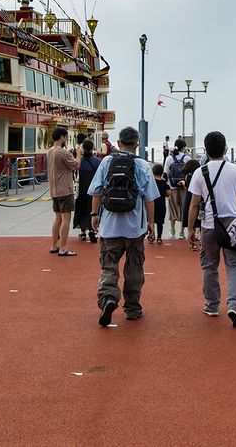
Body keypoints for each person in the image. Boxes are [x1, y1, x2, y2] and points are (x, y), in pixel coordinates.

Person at [89, 126, 159, 326]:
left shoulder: (107, 162)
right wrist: (151, 223)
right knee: (134, 268)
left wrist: (94, 215)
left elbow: (97, 191)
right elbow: (150, 198)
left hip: (110, 226)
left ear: (118, 143)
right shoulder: (143, 166)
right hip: (134, 227)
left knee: (109, 266)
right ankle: (132, 308)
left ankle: (108, 298)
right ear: (137, 145)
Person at [187, 130, 236, 327]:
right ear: (225, 148)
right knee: (235, 265)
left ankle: (211, 306)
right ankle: (234, 306)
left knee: (209, 265)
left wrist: (190, 229)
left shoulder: (199, 172)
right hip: (233, 225)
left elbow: (194, 204)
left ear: (205, 150)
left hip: (210, 226)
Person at [47, 127, 79, 256]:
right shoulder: (63, 152)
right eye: (66, 137)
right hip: (65, 189)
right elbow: (76, 165)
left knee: (57, 218)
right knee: (66, 218)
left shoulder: (49, 151)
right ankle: (63, 247)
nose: (66, 139)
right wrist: (79, 154)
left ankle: (54, 245)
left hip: (54, 189)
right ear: (62, 137)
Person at [73, 139, 100, 242]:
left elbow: (74, 170)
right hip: (93, 190)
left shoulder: (80, 161)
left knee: (80, 209)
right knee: (92, 209)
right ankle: (92, 230)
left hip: (81, 189)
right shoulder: (97, 161)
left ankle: (82, 232)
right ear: (92, 148)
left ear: (83, 149)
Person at [164, 139, 190, 239]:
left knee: (172, 208)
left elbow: (166, 172)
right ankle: (181, 232)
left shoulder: (169, 158)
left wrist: (167, 186)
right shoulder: (187, 158)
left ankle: (172, 230)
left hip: (172, 186)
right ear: (184, 147)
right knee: (184, 208)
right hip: (184, 186)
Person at [151, 163, 169, 242]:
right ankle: (159, 237)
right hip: (161, 204)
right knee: (160, 222)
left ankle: (151, 235)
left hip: (152, 204)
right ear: (162, 172)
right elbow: (168, 194)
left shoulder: (151, 183)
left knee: (151, 221)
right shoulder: (164, 183)